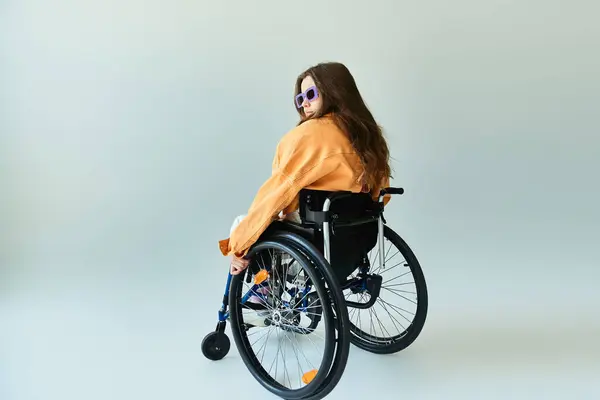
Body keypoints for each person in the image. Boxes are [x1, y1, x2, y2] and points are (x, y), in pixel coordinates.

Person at [219, 61, 393, 276]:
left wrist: (238, 244)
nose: (304, 104)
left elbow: (278, 192)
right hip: (358, 236)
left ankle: (261, 290)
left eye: (310, 94)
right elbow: (382, 194)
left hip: (317, 236)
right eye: (300, 99)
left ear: (333, 91)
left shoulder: (307, 135)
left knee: (242, 224)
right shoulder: (369, 135)